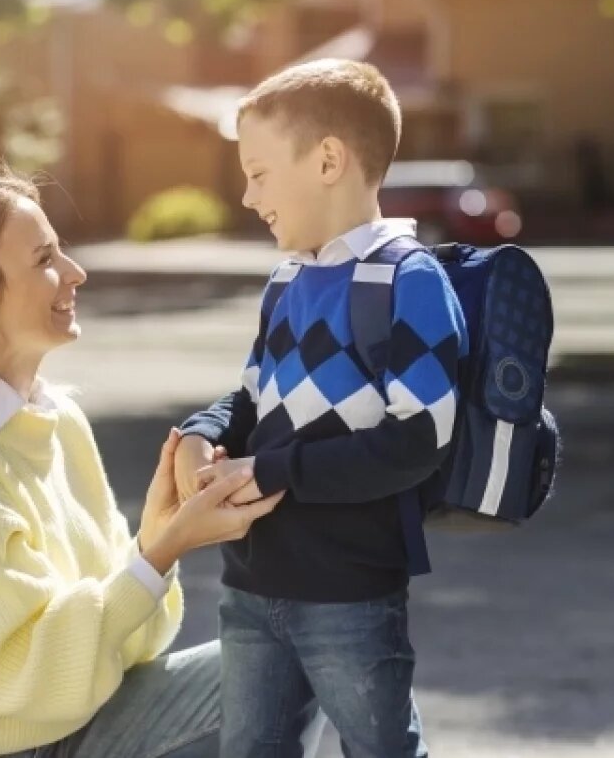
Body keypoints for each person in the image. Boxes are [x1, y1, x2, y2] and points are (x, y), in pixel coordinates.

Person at [0, 171, 285, 758]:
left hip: (67, 730)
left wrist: (153, 544)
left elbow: (130, 649)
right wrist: (161, 554)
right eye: (44, 259)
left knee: (308, 661)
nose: (76, 272)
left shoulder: (57, 421)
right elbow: (21, 674)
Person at [174, 59, 469, 757]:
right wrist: (203, 429)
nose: (247, 195)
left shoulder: (408, 280)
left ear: (329, 159)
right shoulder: (286, 282)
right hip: (251, 586)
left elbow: (417, 440)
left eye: (260, 172)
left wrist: (271, 470)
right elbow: (251, 395)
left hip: (349, 593)